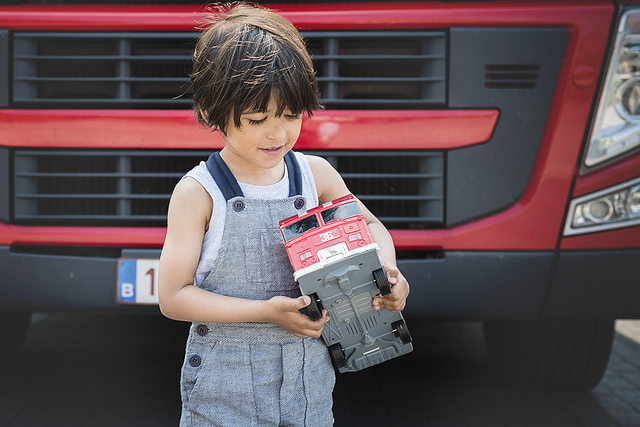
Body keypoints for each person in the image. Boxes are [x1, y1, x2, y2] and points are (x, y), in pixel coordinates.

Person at [158, 4, 410, 426]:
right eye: (257, 119)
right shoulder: (198, 193)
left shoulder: (316, 175)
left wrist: (386, 270)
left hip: (308, 391)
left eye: (290, 115)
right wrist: (265, 312)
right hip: (225, 395)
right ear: (210, 110)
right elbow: (173, 297)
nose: (278, 134)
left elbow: (369, 226)